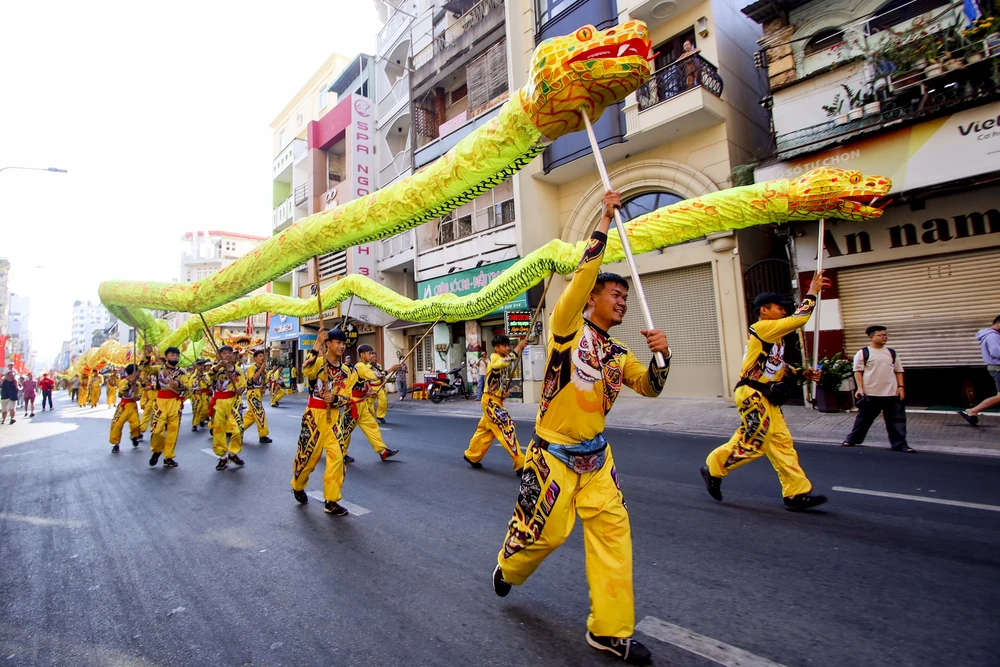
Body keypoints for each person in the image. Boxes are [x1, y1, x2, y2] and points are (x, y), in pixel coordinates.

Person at [492, 191, 671, 665]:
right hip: (553, 455)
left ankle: (610, 631)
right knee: (545, 535)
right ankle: (508, 567)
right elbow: (580, 278)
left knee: (615, 538)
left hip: (598, 461)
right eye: (616, 295)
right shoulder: (567, 329)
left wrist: (662, 355)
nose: (623, 304)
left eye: (626, 299)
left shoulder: (618, 355)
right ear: (592, 297)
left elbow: (651, 387)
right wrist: (603, 222)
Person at [701, 273, 830, 511]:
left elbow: (778, 367)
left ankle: (796, 493)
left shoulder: (775, 339)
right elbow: (799, 319)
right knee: (755, 443)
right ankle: (714, 467)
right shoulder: (763, 328)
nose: (783, 312)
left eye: (784, 309)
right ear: (764, 311)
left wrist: (802, 373)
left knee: (782, 443)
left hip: (766, 396)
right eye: (779, 308)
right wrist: (812, 291)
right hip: (753, 394)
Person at [291, 328, 355, 516]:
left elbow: (346, 395)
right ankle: (298, 485)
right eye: (338, 342)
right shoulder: (319, 363)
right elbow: (306, 369)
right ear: (329, 344)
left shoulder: (346, 371)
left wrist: (335, 400)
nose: (342, 346)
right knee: (309, 457)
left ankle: (331, 500)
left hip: (334, 418)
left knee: (337, 458)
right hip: (314, 416)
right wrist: (317, 343)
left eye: (343, 343)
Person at [842, 326, 914, 453]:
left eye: (886, 335)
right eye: (880, 335)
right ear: (871, 337)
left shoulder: (892, 353)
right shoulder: (864, 352)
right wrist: (860, 388)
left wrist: (901, 387)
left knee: (897, 421)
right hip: (871, 393)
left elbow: (898, 371)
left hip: (891, 393)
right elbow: (857, 371)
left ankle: (900, 444)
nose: (884, 337)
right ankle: (853, 439)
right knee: (864, 419)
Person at [464, 334, 528, 473]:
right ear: (496, 348)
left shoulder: (500, 359)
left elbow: (496, 381)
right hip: (490, 402)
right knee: (506, 427)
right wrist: (518, 347)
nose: (507, 348)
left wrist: (502, 393)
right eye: (504, 346)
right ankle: (520, 462)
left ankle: (472, 455)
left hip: (495, 400)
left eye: (508, 345)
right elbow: (502, 363)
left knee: (485, 430)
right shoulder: (495, 358)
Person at [340, 344, 401, 463]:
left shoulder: (364, 366)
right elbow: (375, 376)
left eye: (371, 353)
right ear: (362, 355)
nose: (371, 355)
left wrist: (367, 394)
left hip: (361, 403)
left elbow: (358, 385)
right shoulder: (360, 366)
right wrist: (390, 369)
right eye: (369, 353)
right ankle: (339, 453)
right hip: (353, 405)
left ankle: (382, 451)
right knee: (346, 431)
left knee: (373, 426)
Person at [142, 345, 189, 468]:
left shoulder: (182, 371)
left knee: (173, 432)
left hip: (175, 403)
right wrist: (147, 354)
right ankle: (157, 450)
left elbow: (188, 386)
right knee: (157, 430)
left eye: (176, 355)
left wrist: (178, 384)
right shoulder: (159, 369)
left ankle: (168, 457)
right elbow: (146, 369)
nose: (174, 357)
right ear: (166, 357)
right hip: (160, 402)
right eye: (172, 354)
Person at [208, 346, 246, 470]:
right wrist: (219, 366)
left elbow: (243, 385)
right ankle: (223, 457)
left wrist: (241, 389)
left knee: (238, 429)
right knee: (219, 430)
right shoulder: (215, 369)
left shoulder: (239, 370)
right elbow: (209, 377)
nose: (227, 355)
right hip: (219, 402)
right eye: (223, 353)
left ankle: (233, 453)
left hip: (234, 401)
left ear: (233, 355)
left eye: (229, 352)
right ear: (218, 355)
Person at [959, 314, 1000, 426]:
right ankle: (973, 411)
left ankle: (973, 411)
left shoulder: (993, 335)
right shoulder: (993, 336)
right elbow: (997, 353)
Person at [109, 364, 142, 453]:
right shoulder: (123, 381)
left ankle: (134, 436)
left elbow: (139, 396)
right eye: (138, 371)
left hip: (132, 406)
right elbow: (120, 394)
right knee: (117, 425)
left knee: (136, 425)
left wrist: (136, 395)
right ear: (134, 372)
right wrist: (129, 384)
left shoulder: (138, 383)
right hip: (123, 406)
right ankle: (116, 444)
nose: (139, 372)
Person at [242, 349, 273, 444]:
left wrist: (263, 388)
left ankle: (236, 430)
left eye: (263, 356)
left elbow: (264, 382)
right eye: (260, 356)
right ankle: (263, 435)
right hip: (252, 394)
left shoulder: (265, 370)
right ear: (255, 358)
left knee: (251, 416)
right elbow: (252, 380)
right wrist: (260, 370)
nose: (262, 358)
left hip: (259, 393)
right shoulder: (251, 368)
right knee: (260, 413)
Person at [189, 359, 212, 431]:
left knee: (205, 409)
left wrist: (202, 378)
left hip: (205, 395)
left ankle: (202, 419)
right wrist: (195, 391)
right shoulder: (192, 377)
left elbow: (210, 382)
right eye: (199, 366)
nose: (201, 367)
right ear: (196, 366)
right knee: (197, 409)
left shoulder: (206, 375)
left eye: (202, 366)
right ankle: (194, 424)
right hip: (197, 395)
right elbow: (189, 387)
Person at [368, 352, 389, 424]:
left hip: (379, 386)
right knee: (370, 403)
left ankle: (380, 416)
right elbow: (365, 379)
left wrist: (383, 385)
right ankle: (371, 417)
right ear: (370, 358)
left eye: (375, 357)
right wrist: (368, 388)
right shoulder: (367, 367)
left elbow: (382, 375)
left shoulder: (379, 366)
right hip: (371, 387)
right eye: (372, 357)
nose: (374, 358)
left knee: (383, 401)